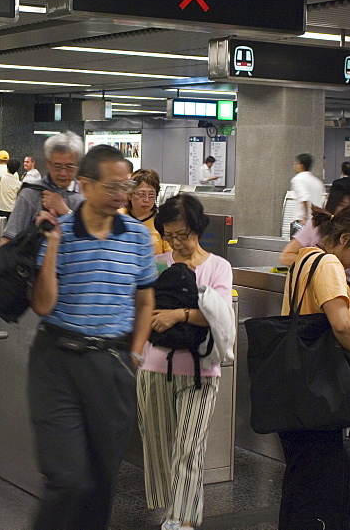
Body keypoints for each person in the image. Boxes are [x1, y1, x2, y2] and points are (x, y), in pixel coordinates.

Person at [30, 144, 157, 530]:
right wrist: (52, 246)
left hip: (111, 364)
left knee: (103, 480)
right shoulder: (61, 231)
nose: (123, 195)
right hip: (58, 362)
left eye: (128, 185)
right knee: (67, 479)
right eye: (114, 186)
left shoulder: (137, 236)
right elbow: (42, 305)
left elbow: (146, 301)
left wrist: (134, 355)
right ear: (85, 185)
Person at [277, 206, 350, 530]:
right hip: (318, 392)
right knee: (322, 480)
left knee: (300, 478)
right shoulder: (328, 265)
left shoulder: (305, 258)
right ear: (344, 238)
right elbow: (342, 325)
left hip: (295, 386)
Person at [138, 194, 234, 530]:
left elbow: (220, 316)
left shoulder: (217, 266)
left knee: (189, 448)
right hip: (154, 367)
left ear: (197, 228)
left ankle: (182, 519)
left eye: (184, 235)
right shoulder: (157, 264)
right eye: (171, 235)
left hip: (200, 372)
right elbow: (141, 308)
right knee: (159, 447)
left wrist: (179, 313)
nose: (177, 242)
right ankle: (171, 509)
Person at [280, 184, 350, 305]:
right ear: (333, 204)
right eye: (341, 205)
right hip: (315, 292)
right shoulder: (316, 226)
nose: (345, 210)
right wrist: (319, 265)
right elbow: (286, 256)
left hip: (343, 293)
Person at [0, 131, 85, 243]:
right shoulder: (31, 194)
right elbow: (8, 240)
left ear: (77, 165)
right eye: (57, 166)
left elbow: (90, 240)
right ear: (48, 163)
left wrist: (65, 212)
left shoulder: (84, 195)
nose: (63, 173)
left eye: (69, 166)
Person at [121, 168, 171, 254]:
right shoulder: (117, 217)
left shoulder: (163, 221)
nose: (146, 200)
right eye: (141, 194)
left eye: (151, 195)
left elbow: (170, 256)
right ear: (129, 195)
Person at [290, 153, 325, 225]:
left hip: (302, 221)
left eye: (296, 163)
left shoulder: (298, 179)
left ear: (301, 165)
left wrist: (306, 218)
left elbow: (304, 198)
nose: (295, 166)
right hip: (316, 221)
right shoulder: (317, 182)